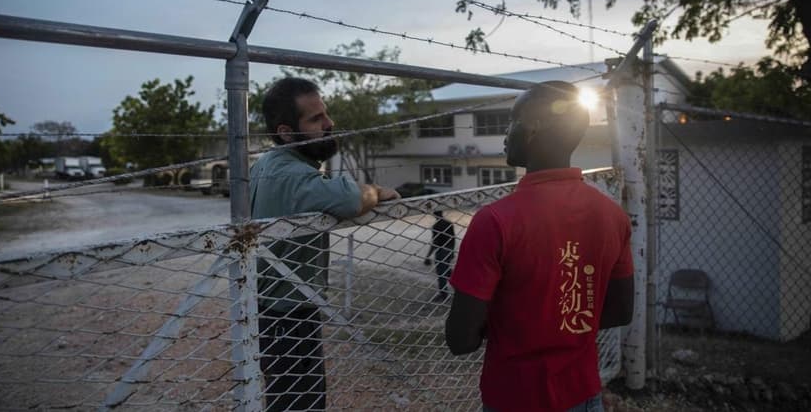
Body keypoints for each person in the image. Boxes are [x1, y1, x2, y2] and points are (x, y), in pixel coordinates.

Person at [445, 81, 634, 412]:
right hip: (584, 396)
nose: (506, 134)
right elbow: (620, 310)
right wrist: (560, 326)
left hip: (516, 397)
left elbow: (461, 339)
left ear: (531, 129)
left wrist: (521, 327)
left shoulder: (494, 221)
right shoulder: (612, 215)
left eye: (511, 121)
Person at [249, 77, 400, 411]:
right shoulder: (292, 176)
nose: (329, 124)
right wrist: (377, 191)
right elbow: (349, 199)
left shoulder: (267, 164)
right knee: (303, 403)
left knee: (286, 398)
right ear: (287, 132)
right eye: (316, 119)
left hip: (269, 307)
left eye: (325, 114)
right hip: (288, 315)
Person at [424, 209, 456, 302]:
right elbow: (452, 238)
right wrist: (452, 251)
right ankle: (459, 286)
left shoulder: (436, 226)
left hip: (441, 250)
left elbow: (435, 242)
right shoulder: (449, 223)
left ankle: (444, 294)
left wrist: (428, 255)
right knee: (446, 270)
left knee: (441, 273)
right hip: (449, 248)